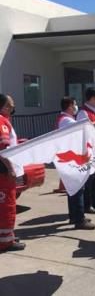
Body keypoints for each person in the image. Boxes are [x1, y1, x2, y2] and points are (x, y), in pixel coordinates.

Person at [56, 97, 95, 230]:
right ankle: (79, 219)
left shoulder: (65, 119)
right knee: (77, 188)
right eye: (74, 104)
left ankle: (74, 216)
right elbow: (84, 130)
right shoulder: (66, 120)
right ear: (69, 106)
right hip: (71, 158)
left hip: (70, 157)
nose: (76, 107)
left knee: (73, 189)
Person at [0, 94, 26, 251]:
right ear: (3, 106)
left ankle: (7, 236)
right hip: (3, 174)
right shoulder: (2, 122)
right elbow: (2, 149)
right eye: (10, 105)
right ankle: (6, 241)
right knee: (7, 206)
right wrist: (11, 169)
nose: (12, 108)